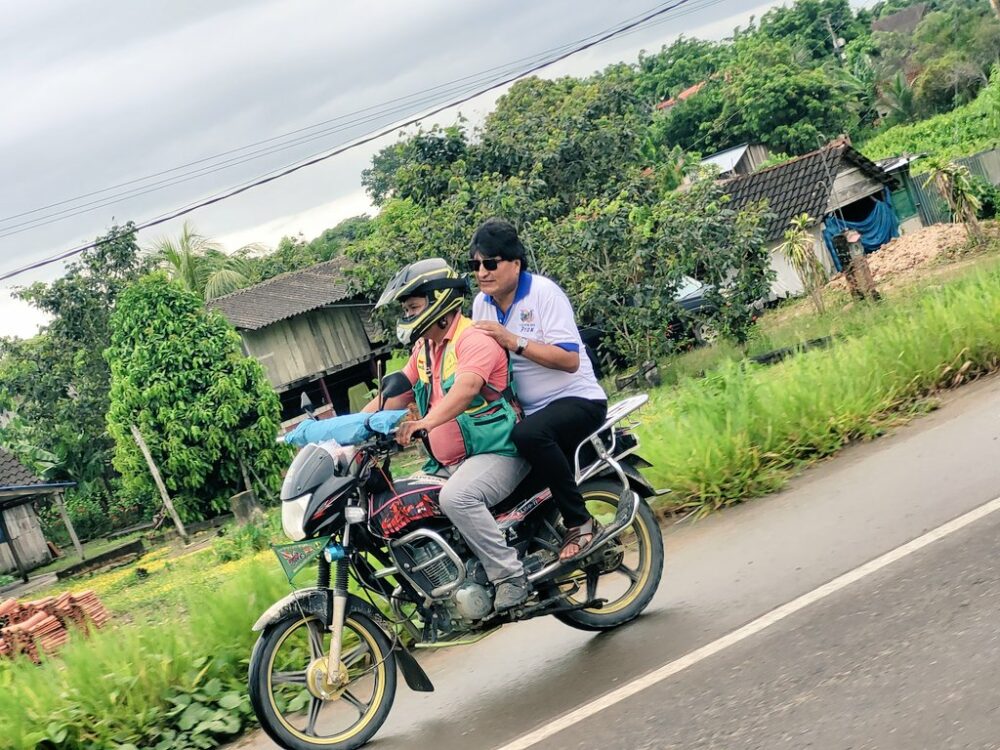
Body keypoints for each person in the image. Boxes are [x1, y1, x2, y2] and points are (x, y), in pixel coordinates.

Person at [364, 257, 531, 612]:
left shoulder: (473, 339)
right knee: (400, 501)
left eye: (413, 307)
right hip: (447, 462)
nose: (408, 316)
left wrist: (424, 423)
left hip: (499, 451)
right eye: (406, 310)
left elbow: (465, 390)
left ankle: (509, 577)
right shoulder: (424, 349)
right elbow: (393, 395)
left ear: (439, 300)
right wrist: (346, 433)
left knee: (457, 498)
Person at [469, 218, 608, 563]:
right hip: (529, 411)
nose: (482, 272)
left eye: (490, 263)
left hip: (577, 399)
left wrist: (513, 341)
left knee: (528, 434)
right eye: (475, 265)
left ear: (515, 264)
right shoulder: (481, 305)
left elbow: (569, 360)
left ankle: (580, 521)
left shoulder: (544, 293)